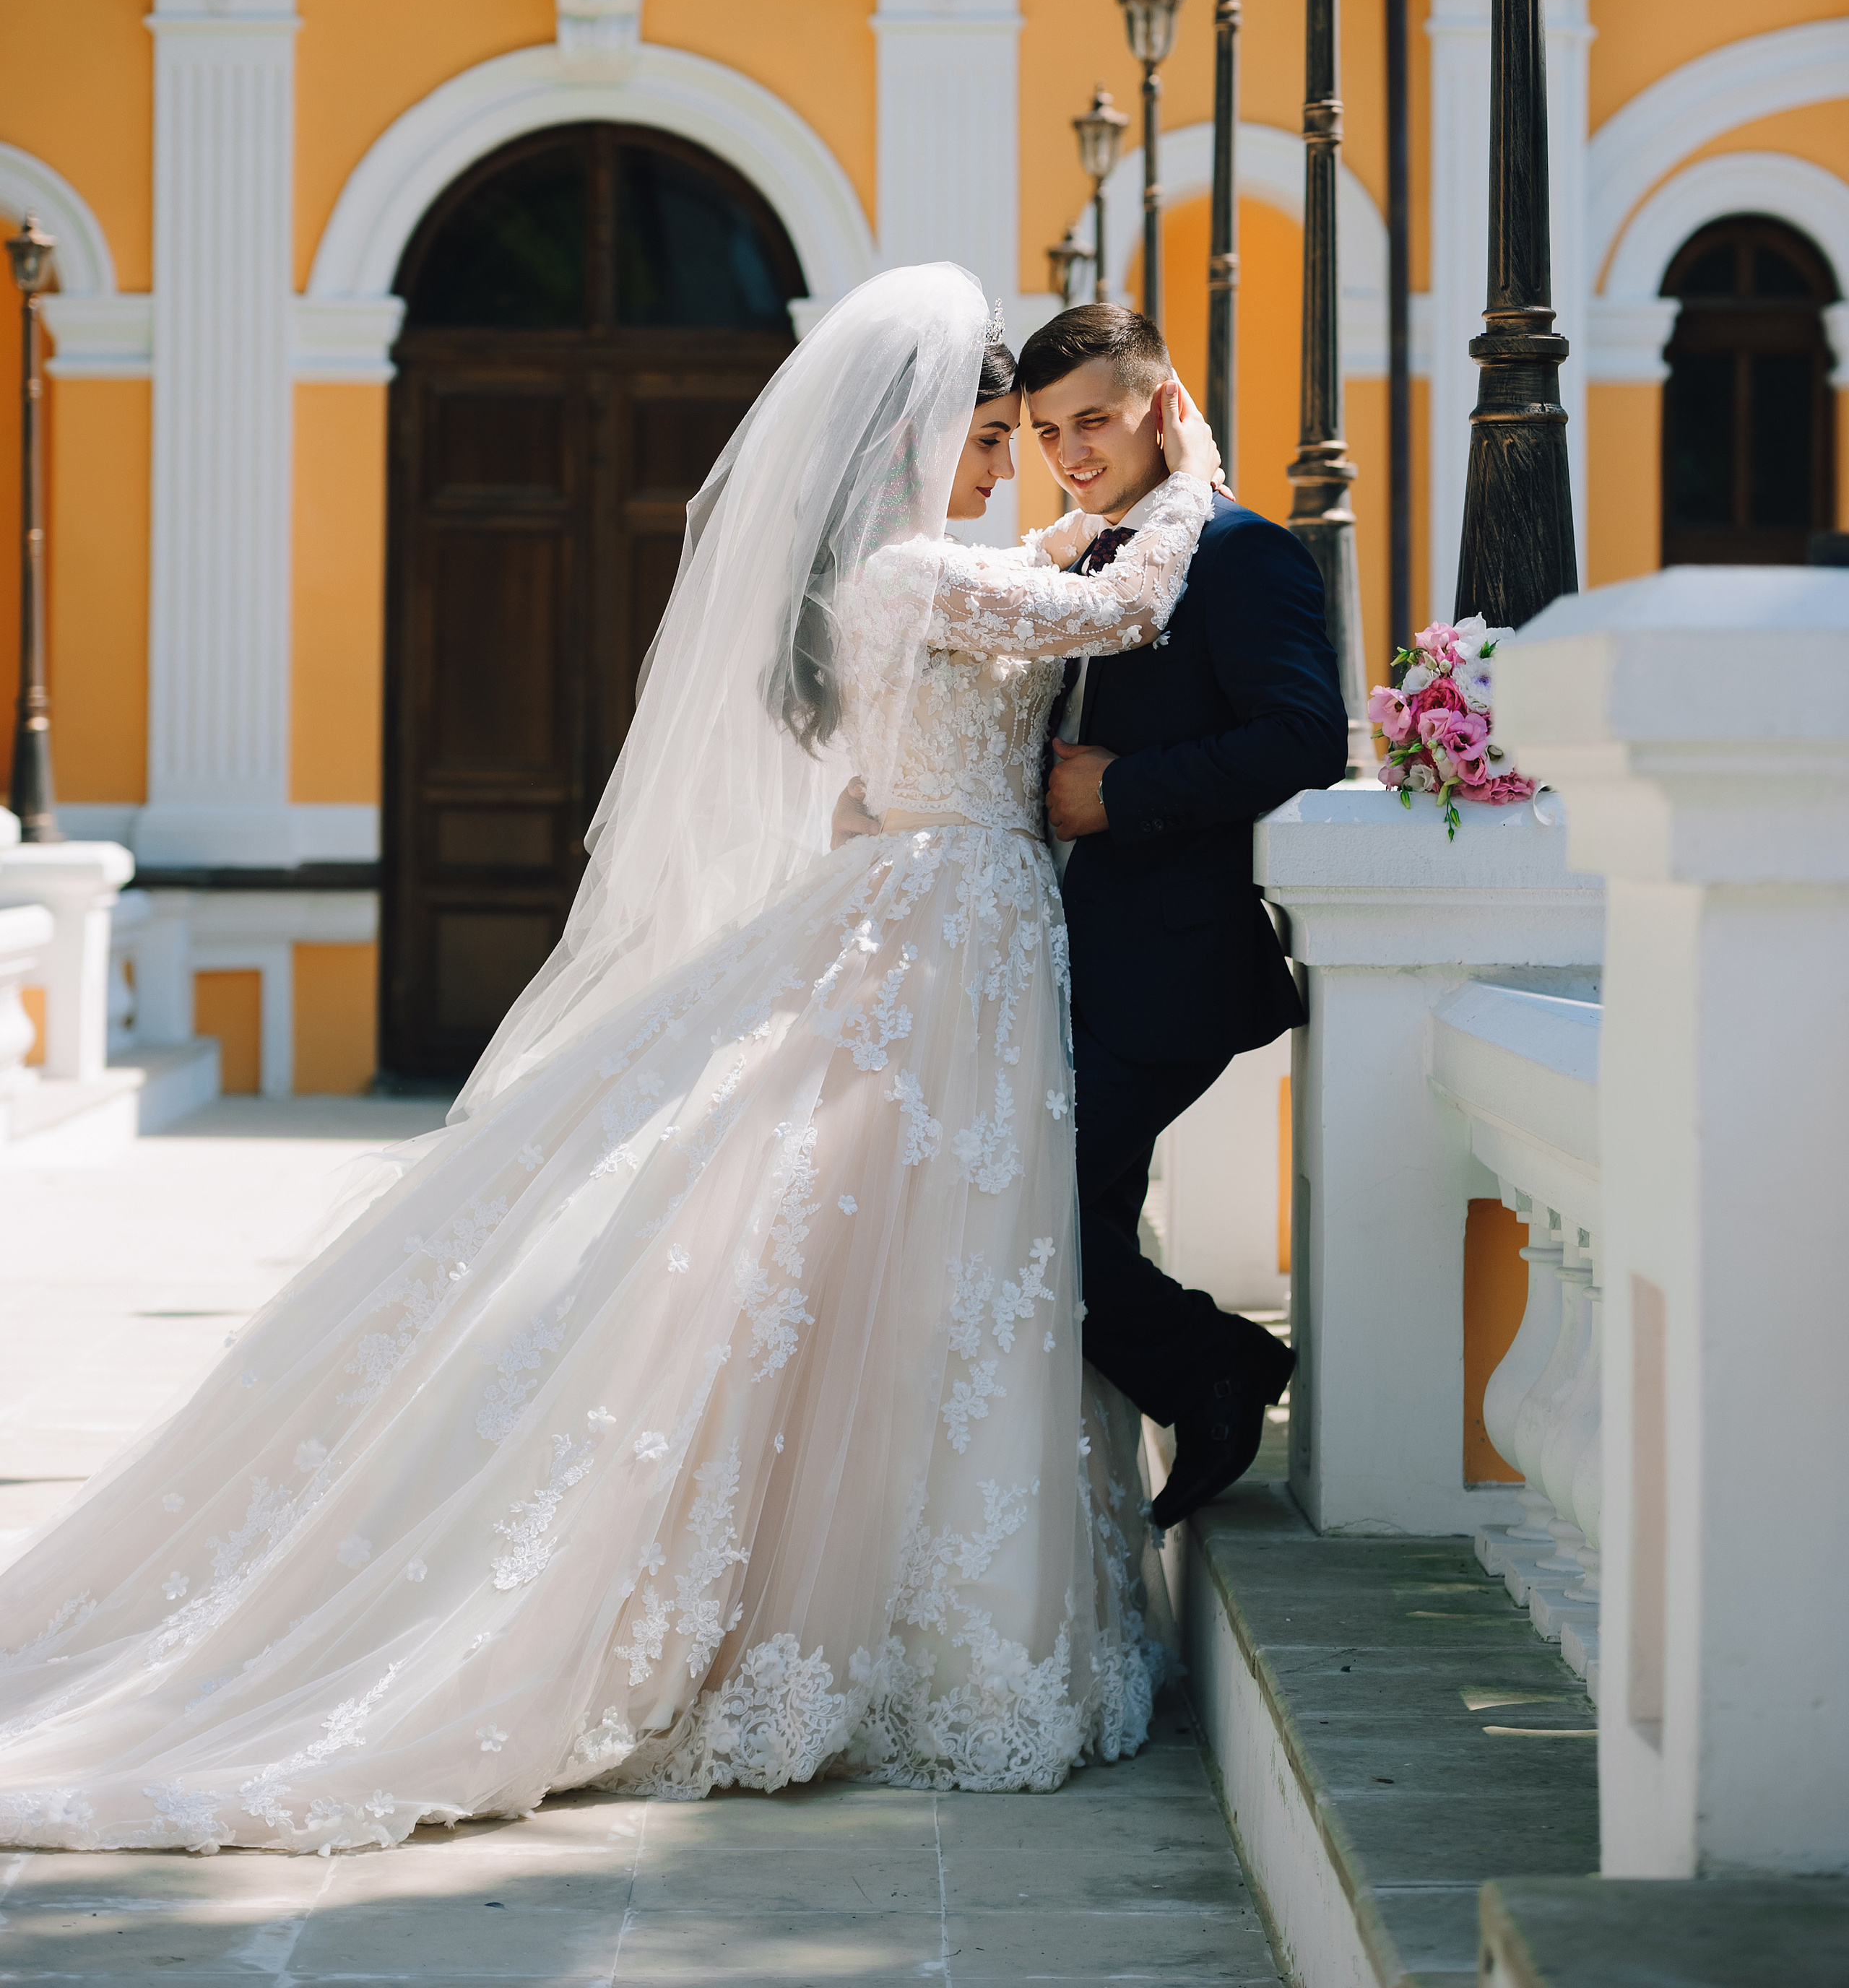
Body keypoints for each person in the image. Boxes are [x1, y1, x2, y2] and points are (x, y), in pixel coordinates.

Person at [0, 266, 1222, 1855]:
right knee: (920, 1251)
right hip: (945, 931)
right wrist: (1187, 470)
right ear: (919, 437)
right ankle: (895, 1624)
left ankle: (906, 1598)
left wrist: (1075, 529)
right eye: (987, 437)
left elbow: (1041, 580)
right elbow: (1115, 604)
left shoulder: (896, 569)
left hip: (950, 918)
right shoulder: (916, 570)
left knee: (937, 1263)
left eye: (1013, 439)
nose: (1003, 470)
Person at [1018, 304, 1350, 1530]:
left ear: (1161, 405)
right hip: (1069, 963)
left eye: (1093, 420)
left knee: (1017, 1202)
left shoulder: (1244, 551)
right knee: (1071, 1222)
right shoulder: (1098, 555)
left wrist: (1124, 794)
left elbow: (1308, 733)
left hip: (1171, 972)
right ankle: (1115, 1484)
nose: (1071, 453)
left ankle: (1220, 1366)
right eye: (1049, 432)